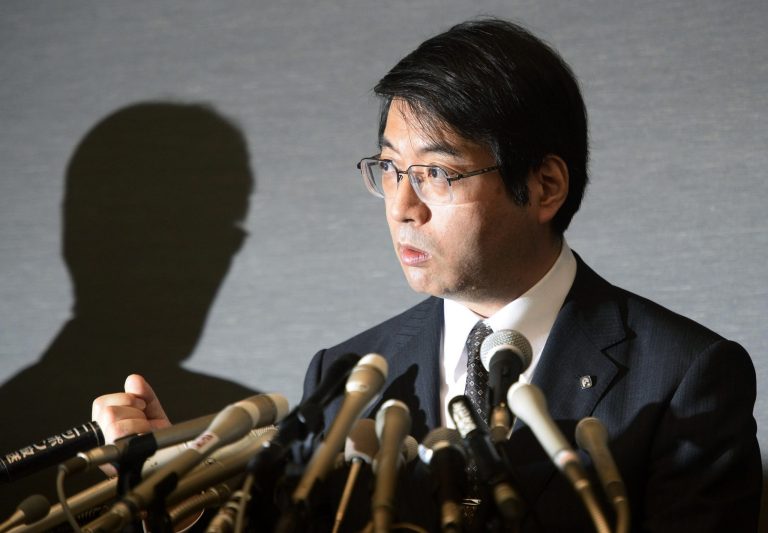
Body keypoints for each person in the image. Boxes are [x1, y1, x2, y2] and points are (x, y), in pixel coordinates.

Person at [91, 18, 761, 532]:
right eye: (389, 169)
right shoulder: (347, 373)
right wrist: (179, 484)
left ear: (545, 185)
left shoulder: (684, 375)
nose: (403, 206)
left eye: (437, 173)